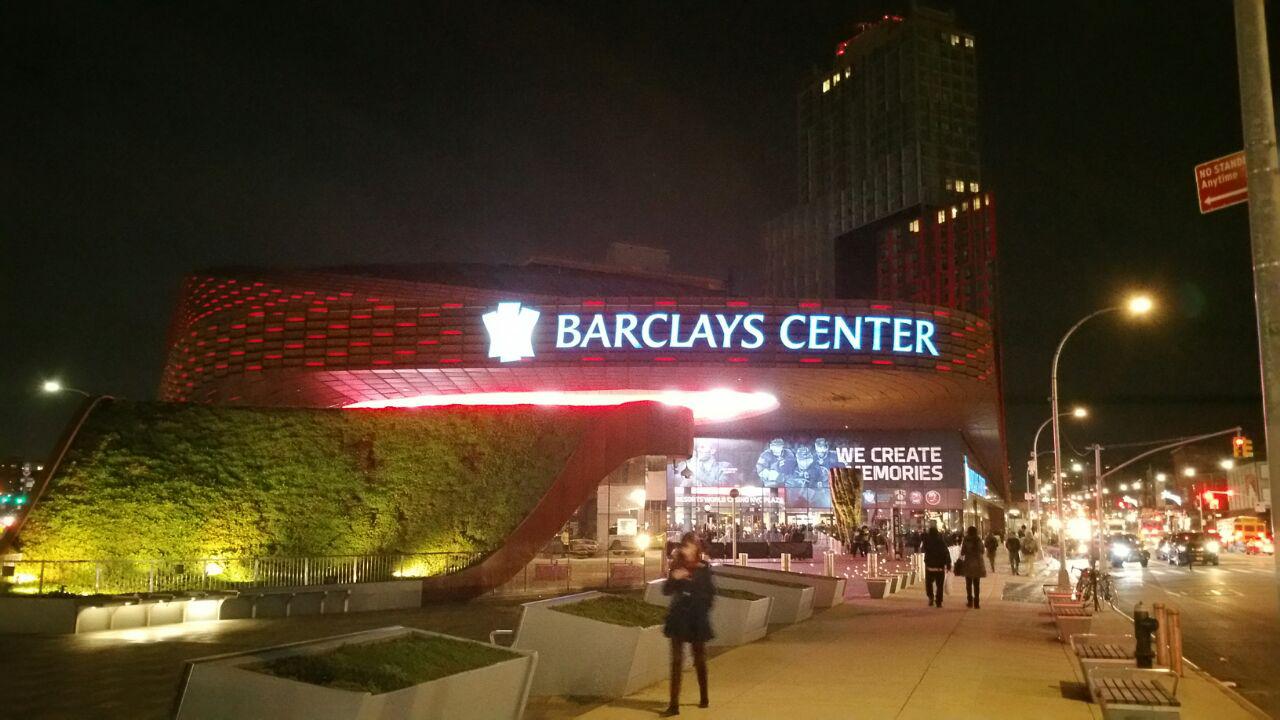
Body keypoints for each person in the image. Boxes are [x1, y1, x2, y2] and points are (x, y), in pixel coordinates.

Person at [662, 532, 714, 715]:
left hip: (697, 619)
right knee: (676, 661)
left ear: (696, 548)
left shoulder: (703, 567)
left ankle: (704, 696)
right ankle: (673, 704)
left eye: (690, 545)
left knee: (699, 659)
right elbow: (666, 590)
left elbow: (710, 593)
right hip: (678, 619)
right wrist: (675, 577)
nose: (687, 549)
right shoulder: (677, 566)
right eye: (685, 545)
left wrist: (701, 607)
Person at [920, 524, 952, 607]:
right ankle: (939, 601)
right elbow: (946, 553)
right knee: (940, 585)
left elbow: (922, 549)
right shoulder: (941, 541)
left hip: (930, 566)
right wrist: (948, 564)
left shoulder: (927, 541)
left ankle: (930, 597)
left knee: (929, 583)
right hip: (940, 567)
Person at [958, 526, 988, 608]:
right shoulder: (978, 539)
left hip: (968, 563)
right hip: (977, 564)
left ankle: (970, 601)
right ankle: (977, 603)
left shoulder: (966, 540)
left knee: (968, 584)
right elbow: (983, 550)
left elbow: (962, 552)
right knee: (976, 584)